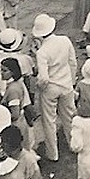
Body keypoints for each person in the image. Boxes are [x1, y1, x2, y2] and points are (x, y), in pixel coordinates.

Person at [32, 12, 77, 163]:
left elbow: (43, 77)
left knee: (49, 121)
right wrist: (72, 80)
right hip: (66, 83)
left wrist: (39, 87)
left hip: (50, 87)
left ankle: (53, 153)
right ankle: (73, 143)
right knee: (69, 116)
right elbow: (72, 62)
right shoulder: (65, 40)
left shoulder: (42, 52)